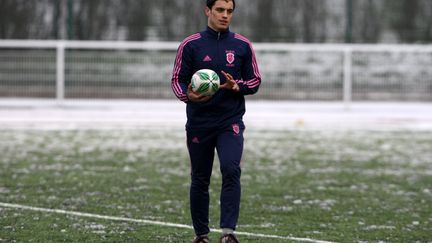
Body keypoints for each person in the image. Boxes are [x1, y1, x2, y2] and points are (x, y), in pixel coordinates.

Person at [171, 0, 261, 242]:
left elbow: (255, 81)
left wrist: (237, 86)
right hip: (200, 122)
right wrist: (187, 95)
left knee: (231, 169)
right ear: (208, 10)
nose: (225, 15)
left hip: (229, 121)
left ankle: (228, 233)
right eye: (220, 10)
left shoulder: (242, 45)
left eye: (229, 11)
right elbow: (177, 80)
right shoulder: (191, 45)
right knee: (200, 178)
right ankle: (201, 235)